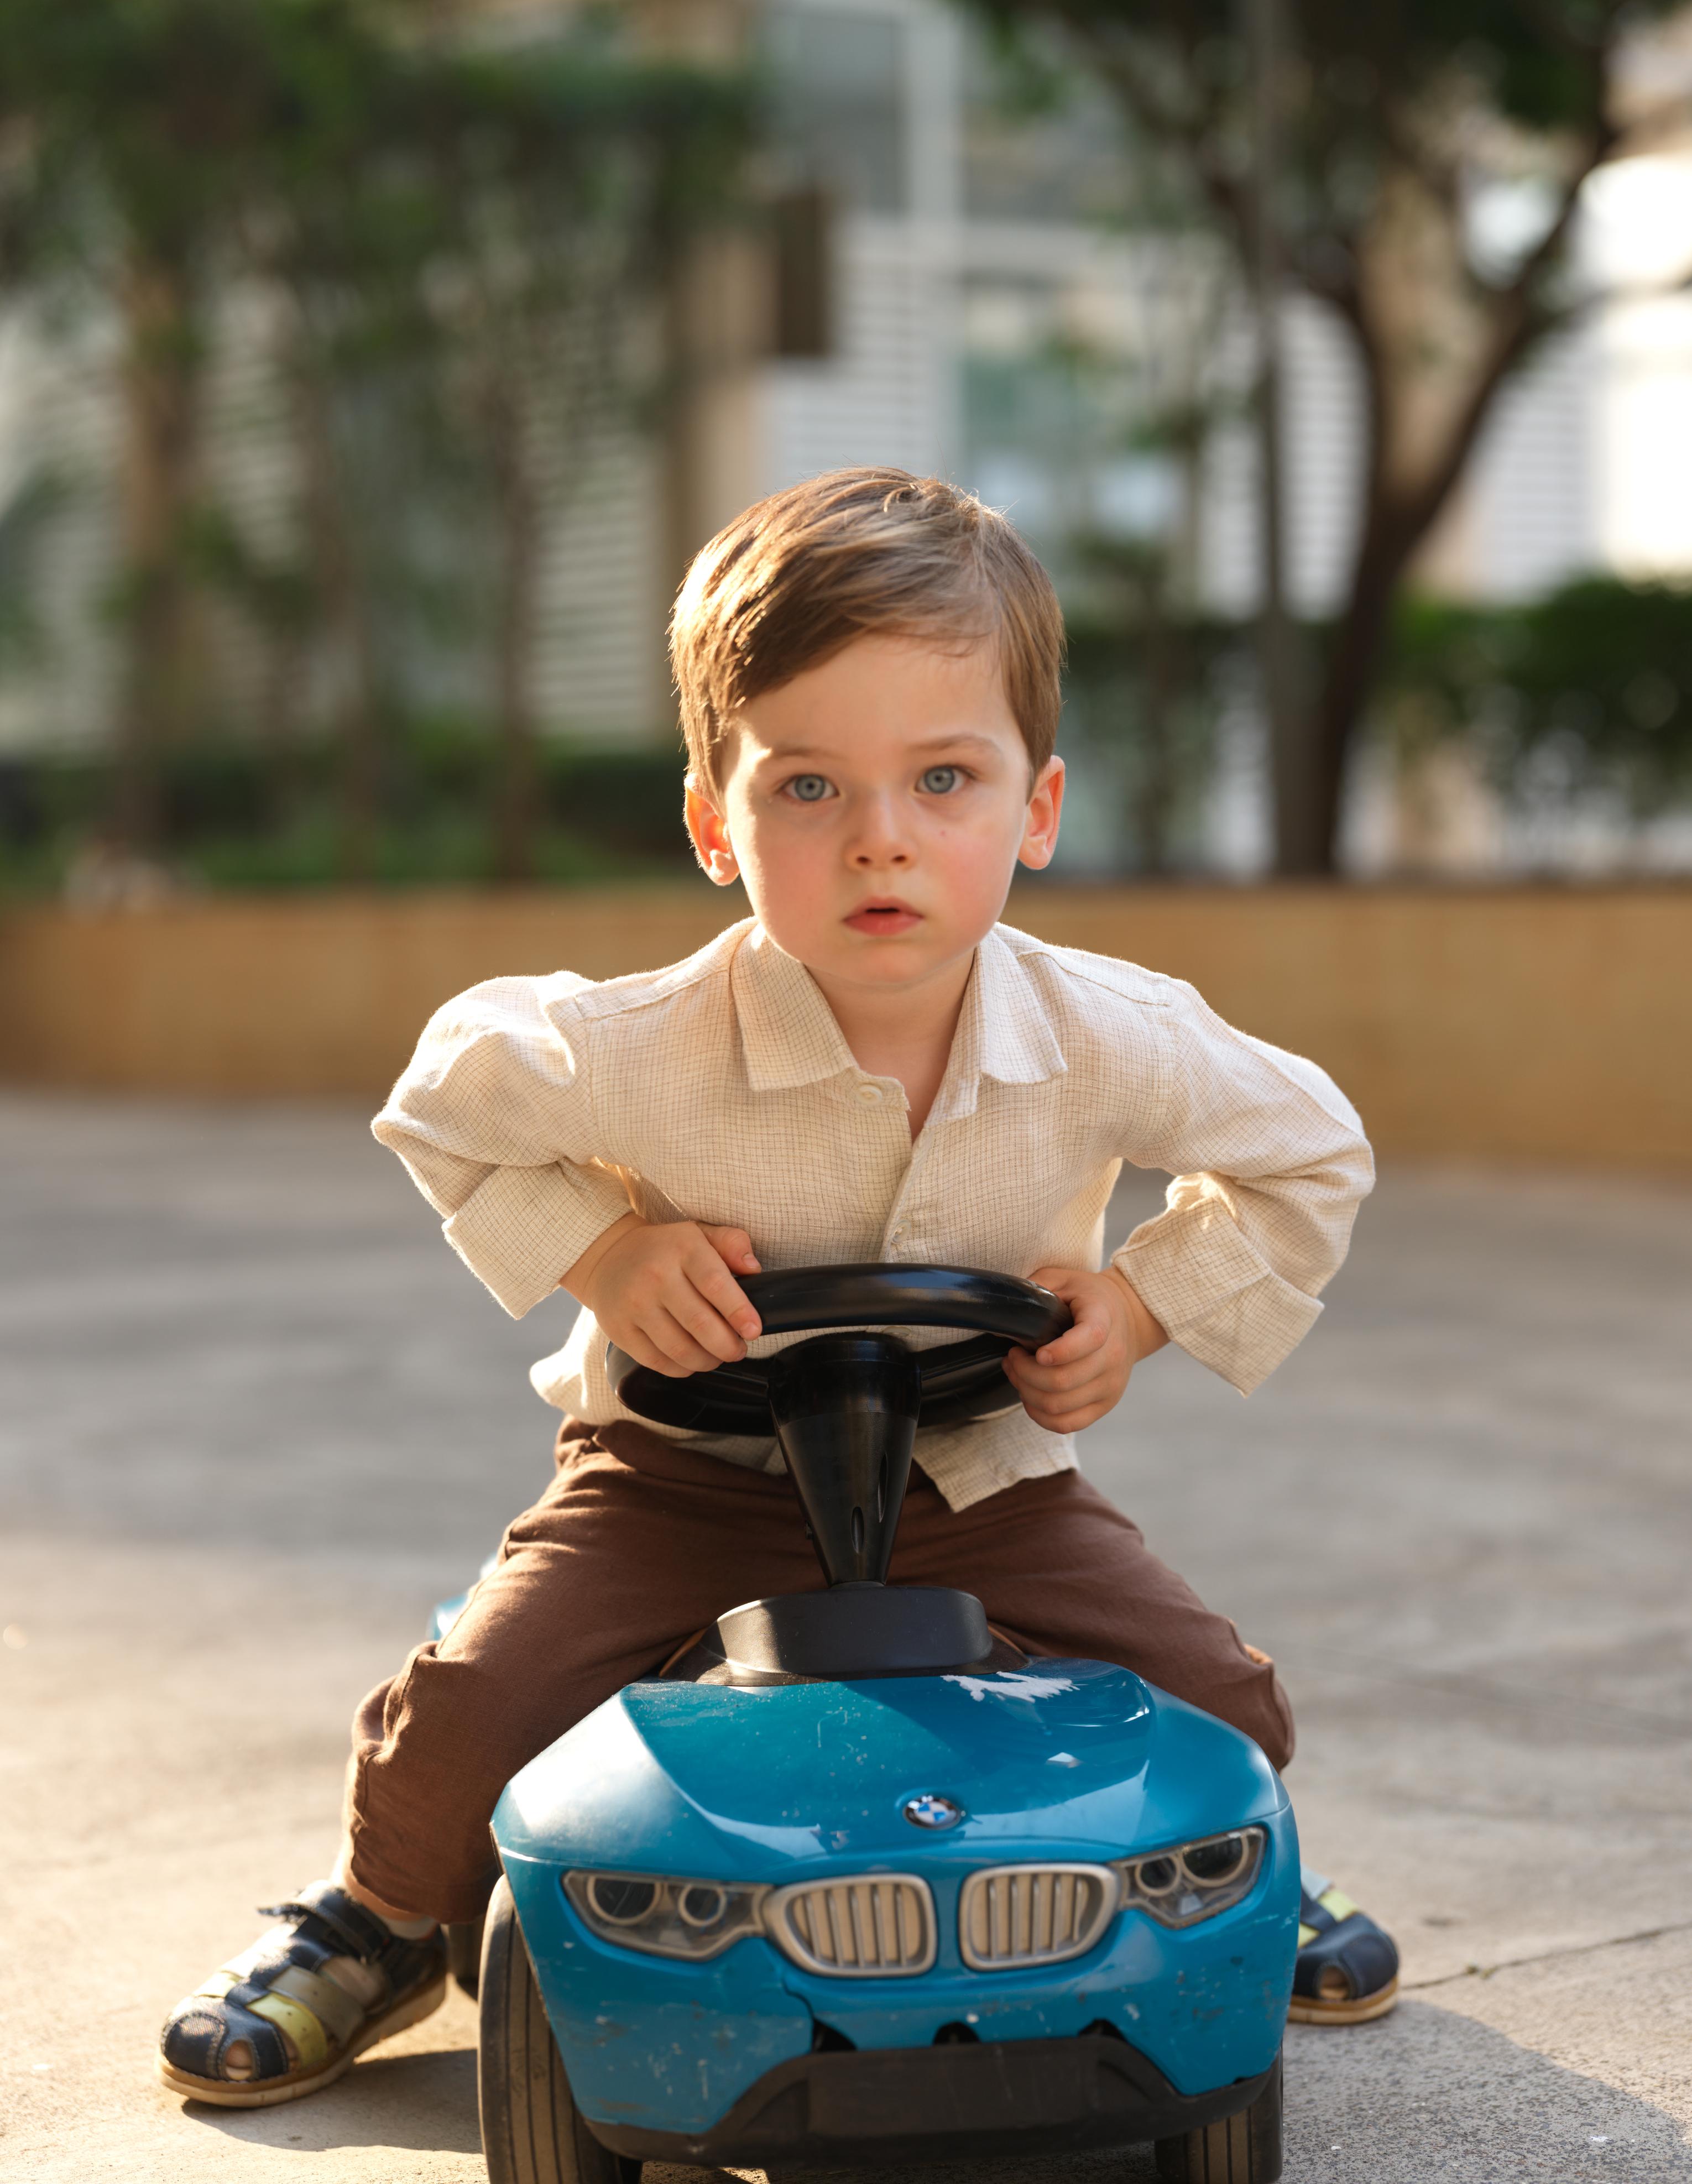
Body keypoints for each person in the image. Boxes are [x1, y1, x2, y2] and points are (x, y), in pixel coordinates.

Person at [158, 466, 1399, 2108]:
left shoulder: (1110, 1032)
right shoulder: (636, 1049)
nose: (879, 836)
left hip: (980, 1479)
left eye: (942, 778)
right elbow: (444, 1103)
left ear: (1034, 810)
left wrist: (1151, 1301)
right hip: (676, 1476)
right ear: (711, 823)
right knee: (480, 1700)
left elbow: (1309, 1150)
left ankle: (1225, 1875)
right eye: (806, 787)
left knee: (1214, 1690)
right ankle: (377, 1920)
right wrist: (602, 1251)